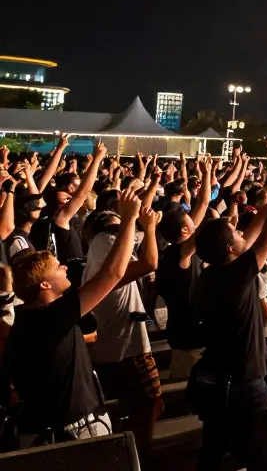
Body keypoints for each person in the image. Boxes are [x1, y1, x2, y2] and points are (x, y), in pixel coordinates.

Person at [3, 183, 142, 445]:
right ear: (44, 285)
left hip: (47, 430)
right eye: (56, 267)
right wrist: (131, 219)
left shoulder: (25, 318)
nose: (64, 266)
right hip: (75, 433)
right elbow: (112, 274)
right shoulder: (52, 317)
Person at [188, 156, 267, 471]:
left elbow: (256, 229)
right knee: (261, 453)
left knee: (216, 450)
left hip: (220, 380)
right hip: (242, 384)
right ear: (230, 251)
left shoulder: (212, 274)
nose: (241, 235)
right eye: (235, 235)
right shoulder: (235, 275)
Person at [83, 187, 163, 459]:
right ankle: (137, 458)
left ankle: (129, 453)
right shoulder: (106, 243)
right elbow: (149, 262)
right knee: (148, 405)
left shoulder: (104, 243)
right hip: (126, 350)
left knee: (142, 406)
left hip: (117, 345)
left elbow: (140, 231)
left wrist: (144, 210)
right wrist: (149, 228)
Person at [153, 156, 214, 382]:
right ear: (185, 232)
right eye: (190, 221)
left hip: (187, 333)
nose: (194, 220)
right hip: (188, 335)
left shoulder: (177, 250)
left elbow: (204, 203)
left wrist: (207, 173)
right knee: (189, 387)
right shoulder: (180, 254)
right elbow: (204, 212)